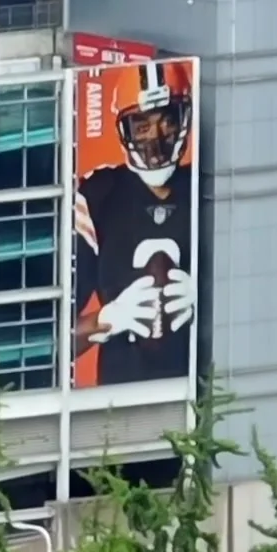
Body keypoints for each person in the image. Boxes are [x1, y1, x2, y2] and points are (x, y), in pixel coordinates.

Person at [75, 60, 198, 384]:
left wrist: (211, 303)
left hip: (201, 389)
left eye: (166, 122)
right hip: (121, 396)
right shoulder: (98, 197)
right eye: (142, 126)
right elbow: (48, 341)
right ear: (124, 129)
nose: (156, 140)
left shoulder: (208, 188)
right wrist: (108, 318)